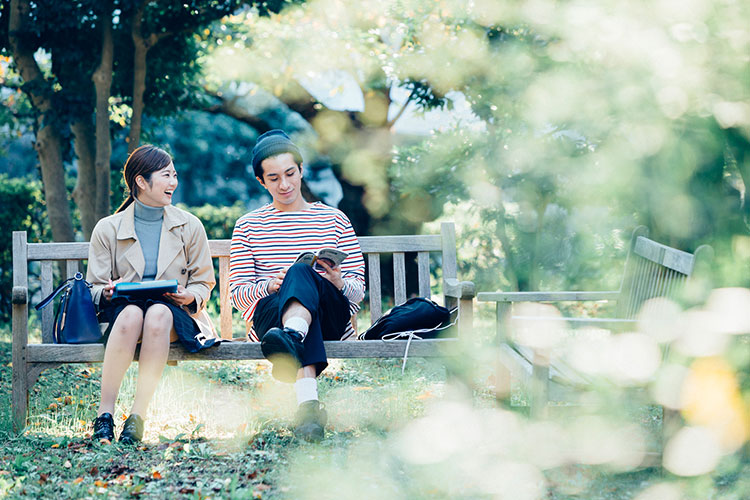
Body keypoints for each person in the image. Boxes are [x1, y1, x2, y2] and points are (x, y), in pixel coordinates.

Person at [229, 130, 365, 442]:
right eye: (274, 178)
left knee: (304, 276)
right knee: (298, 276)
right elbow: (238, 295)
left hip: (329, 315)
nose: (285, 185)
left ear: (301, 170)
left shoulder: (335, 220)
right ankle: (307, 405)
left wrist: (338, 281)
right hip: (272, 319)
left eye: (291, 174)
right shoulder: (248, 226)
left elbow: (358, 292)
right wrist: (270, 286)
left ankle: (292, 339)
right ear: (262, 182)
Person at [87, 145, 216, 444]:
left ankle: (137, 417)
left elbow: (203, 282)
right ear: (141, 182)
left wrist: (189, 296)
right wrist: (106, 292)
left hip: (172, 314)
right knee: (133, 313)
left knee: (157, 312)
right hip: (123, 314)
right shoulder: (107, 228)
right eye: (166, 175)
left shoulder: (189, 225)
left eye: (175, 175)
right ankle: (104, 415)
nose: (174, 182)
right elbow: (94, 286)